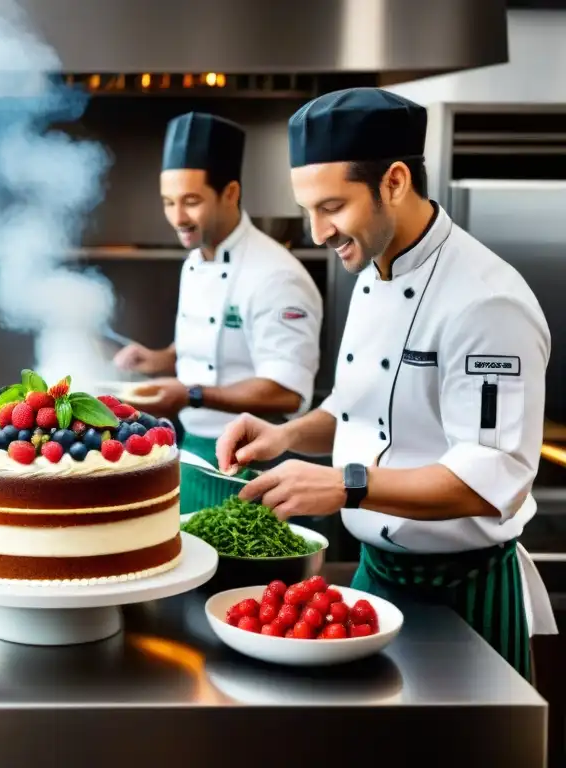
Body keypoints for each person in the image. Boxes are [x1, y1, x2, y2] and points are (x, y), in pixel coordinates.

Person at [216, 87, 557, 679]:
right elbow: (362, 413)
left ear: (394, 182)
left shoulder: (486, 301)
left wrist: (346, 487)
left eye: (332, 207)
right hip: (378, 579)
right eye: (307, 210)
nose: (317, 231)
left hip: (464, 591)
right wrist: (284, 434)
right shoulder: (375, 268)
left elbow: (491, 477)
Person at [114, 112, 323, 514]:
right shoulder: (195, 261)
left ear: (230, 193)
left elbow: (288, 391)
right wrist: (161, 359)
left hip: (254, 463)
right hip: (191, 451)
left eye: (191, 201)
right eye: (169, 202)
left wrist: (190, 394)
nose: (177, 218)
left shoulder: (276, 276)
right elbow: (212, 342)